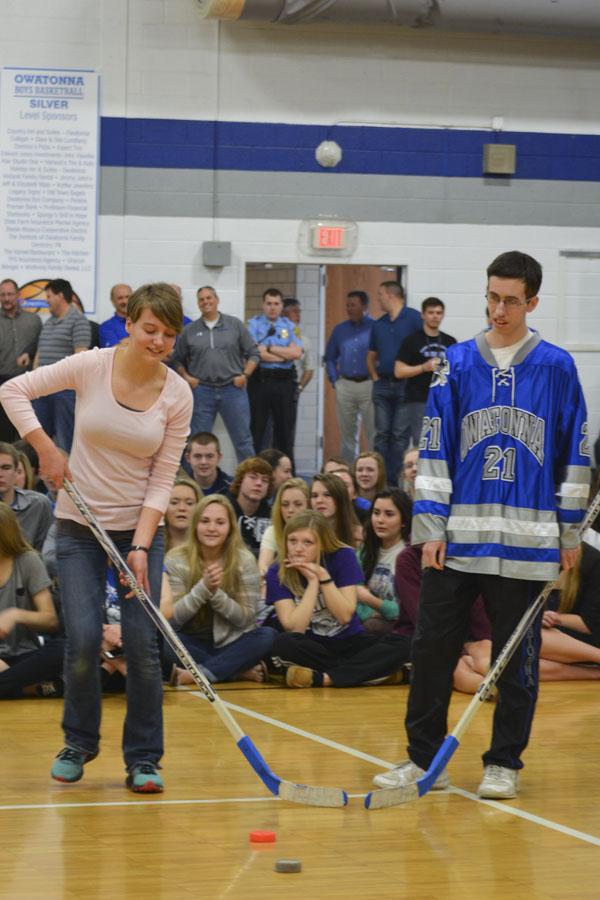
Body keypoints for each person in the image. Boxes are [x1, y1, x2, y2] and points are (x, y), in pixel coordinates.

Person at [372, 251, 590, 801]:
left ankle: (504, 762)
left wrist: (568, 535)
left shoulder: (559, 368)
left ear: (532, 302)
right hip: (458, 543)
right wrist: (430, 529)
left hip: (528, 546)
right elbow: (435, 452)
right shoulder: (458, 363)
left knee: (519, 657)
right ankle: (426, 760)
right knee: (430, 651)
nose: (498, 309)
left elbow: (575, 458)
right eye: (491, 297)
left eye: (510, 300)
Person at [0, 282, 193, 793]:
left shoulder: (178, 394)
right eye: (150, 329)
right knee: (83, 639)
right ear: (129, 324)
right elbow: (12, 390)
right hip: (78, 526)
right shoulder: (91, 365)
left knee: (142, 645)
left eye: (169, 335)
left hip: (138, 530)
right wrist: (44, 447)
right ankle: (78, 742)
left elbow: (163, 477)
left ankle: (145, 758)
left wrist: (143, 544)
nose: (158, 342)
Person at [266, 511, 409, 688]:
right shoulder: (277, 571)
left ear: (322, 545)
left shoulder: (343, 555)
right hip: (312, 646)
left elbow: (344, 617)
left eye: (307, 542)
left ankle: (325, 678)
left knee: (403, 644)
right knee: (284, 643)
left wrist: (323, 577)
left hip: (350, 640)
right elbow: (295, 628)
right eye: (292, 541)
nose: (298, 548)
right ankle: (370, 672)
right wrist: (312, 583)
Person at [163, 495, 276, 685]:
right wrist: (203, 589)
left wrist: (216, 594)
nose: (212, 528)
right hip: (190, 641)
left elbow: (246, 619)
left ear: (230, 527)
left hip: (232, 642)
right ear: (195, 525)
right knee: (161, 640)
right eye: (205, 521)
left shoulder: (245, 560)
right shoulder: (175, 559)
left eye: (220, 522)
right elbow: (173, 619)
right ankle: (234, 672)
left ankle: (200, 673)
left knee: (267, 635)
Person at [173, 286, 258, 464]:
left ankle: (249, 481)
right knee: (196, 442)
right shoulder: (190, 330)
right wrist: (188, 378)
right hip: (202, 391)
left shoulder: (234, 325)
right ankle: (194, 486)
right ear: (198, 304)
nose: (206, 302)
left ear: (217, 300)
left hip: (233, 390)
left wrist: (245, 375)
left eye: (209, 298)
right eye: (202, 299)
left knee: (243, 440)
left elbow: (254, 353)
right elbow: (177, 360)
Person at [0, 502, 63, 699]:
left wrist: (16, 614)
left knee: (63, 649)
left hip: (24, 657)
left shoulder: (27, 561)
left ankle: (9, 684)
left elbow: (50, 620)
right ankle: (27, 688)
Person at [367, 281, 421, 484]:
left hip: (406, 386)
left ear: (390, 295)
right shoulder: (379, 324)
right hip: (382, 384)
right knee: (382, 435)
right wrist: (374, 378)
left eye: (380, 294)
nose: (378, 299)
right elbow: (371, 355)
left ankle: (397, 483)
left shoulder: (414, 318)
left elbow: (423, 348)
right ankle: (380, 482)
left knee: (399, 436)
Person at [32, 279, 92, 453]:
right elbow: (40, 352)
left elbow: (81, 357)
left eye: (49, 296)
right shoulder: (49, 321)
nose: (47, 300)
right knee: (39, 440)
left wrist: (58, 380)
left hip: (63, 393)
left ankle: (67, 478)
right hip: (42, 391)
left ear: (60, 296)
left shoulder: (78, 320)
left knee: (65, 441)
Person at [247, 288, 302, 462]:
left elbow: (296, 354)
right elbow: (254, 352)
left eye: (276, 304)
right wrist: (283, 353)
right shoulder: (253, 324)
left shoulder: (290, 326)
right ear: (263, 305)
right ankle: (254, 470)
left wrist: (269, 348)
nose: (272, 307)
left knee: (285, 432)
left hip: (284, 383)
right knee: (257, 430)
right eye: (269, 303)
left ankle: (286, 474)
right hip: (260, 382)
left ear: (281, 306)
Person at [394, 297, 456, 447]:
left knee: (442, 441)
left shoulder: (450, 341)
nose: (435, 316)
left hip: (443, 400)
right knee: (420, 440)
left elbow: (456, 372)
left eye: (438, 313)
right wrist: (423, 367)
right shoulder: (411, 341)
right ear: (423, 315)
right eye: (431, 312)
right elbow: (398, 371)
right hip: (418, 398)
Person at [324, 291, 375, 463]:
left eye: (353, 305)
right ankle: (349, 475)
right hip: (345, 385)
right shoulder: (340, 330)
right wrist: (334, 379)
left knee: (372, 433)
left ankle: (373, 471)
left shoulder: (376, 328)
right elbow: (329, 357)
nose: (349, 309)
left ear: (365, 306)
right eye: (347, 305)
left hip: (369, 385)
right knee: (347, 435)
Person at [539, 541, 600, 681]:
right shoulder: (527, 557)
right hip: (547, 642)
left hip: (582, 638)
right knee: (486, 655)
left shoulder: (593, 560)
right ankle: (594, 674)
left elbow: (590, 624)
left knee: (531, 636)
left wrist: (555, 618)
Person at [357, 489, 412, 634]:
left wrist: (369, 599)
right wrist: (373, 612)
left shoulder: (410, 556)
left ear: (404, 521)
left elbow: (403, 611)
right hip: (369, 622)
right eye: (376, 513)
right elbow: (352, 598)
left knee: (370, 626)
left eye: (389, 514)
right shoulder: (364, 551)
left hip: (402, 628)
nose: (380, 520)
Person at [0, 278, 42, 442]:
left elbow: (40, 345)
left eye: (10, 294)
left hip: (28, 384)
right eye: (2, 295)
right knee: (3, 433)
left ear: (18, 295)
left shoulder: (34, 320)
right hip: (2, 383)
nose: (6, 298)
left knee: (27, 433)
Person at [0, 442, 53, 551]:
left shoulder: (38, 504)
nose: (0, 474)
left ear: (16, 472)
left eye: (6, 468)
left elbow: (44, 555)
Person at [258, 477, 310, 580]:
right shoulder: (272, 532)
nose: (290, 510)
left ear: (308, 505)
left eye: (298, 504)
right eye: (285, 505)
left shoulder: (317, 530)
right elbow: (263, 568)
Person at [227, 457, 272, 557]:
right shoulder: (223, 510)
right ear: (240, 480)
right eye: (253, 477)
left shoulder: (272, 516)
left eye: (265, 480)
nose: (259, 483)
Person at [310, 473, 362, 547]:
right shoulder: (304, 535)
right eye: (314, 496)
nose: (319, 500)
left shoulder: (358, 537)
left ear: (340, 498)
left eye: (327, 495)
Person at [185, 432, 233, 496]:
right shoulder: (179, 488)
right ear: (188, 458)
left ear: (219, 457)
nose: (203, 462)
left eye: (209, 456)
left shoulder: (233, 487)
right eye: (197, 456)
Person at [165, 477, 202, 552]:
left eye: (189, 503)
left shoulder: (208, 547)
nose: (182, 508)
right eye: (174, 502)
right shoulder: (152, 545)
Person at [99, 284, 133, 348]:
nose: (125, 301)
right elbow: (114, 352)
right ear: (113, 301)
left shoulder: (141, 321)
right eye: (120, 298)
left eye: (128, 297)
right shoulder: (106, 327)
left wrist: (124, 343)